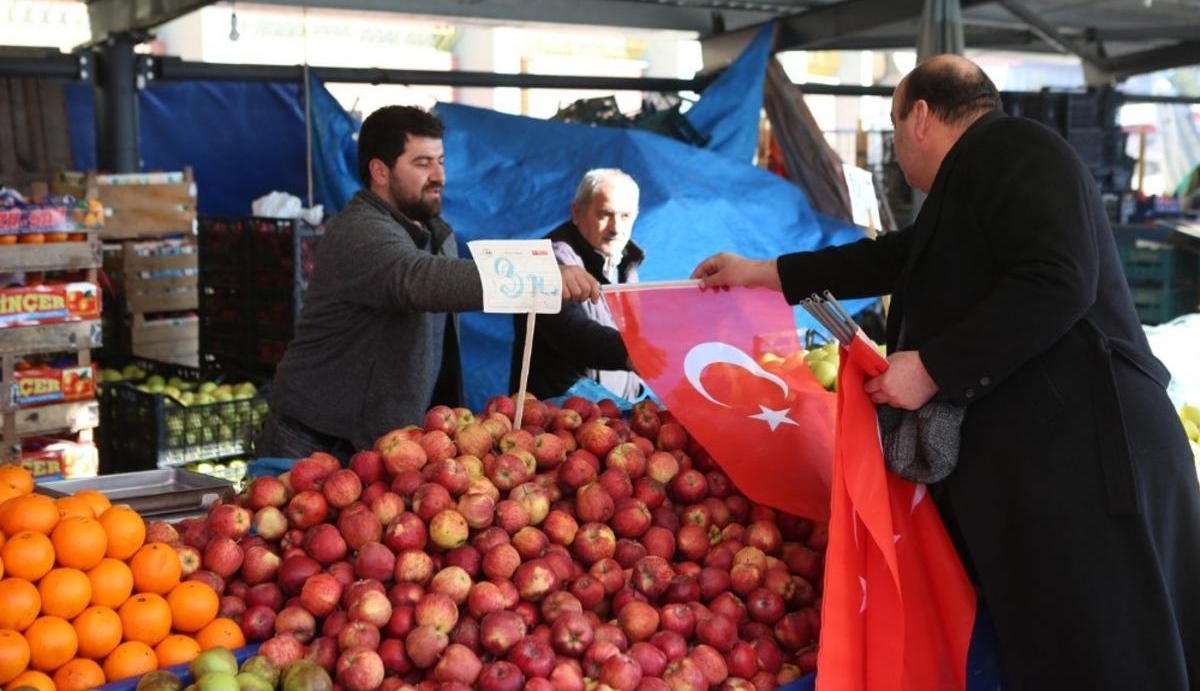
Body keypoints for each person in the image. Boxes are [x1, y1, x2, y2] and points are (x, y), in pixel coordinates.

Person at [692, 55, 1200, 690]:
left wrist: (932, 368)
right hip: (1051, 466)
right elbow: (894, 258)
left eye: (895, 123)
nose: (899, 146)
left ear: (922, 118)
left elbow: (1059, 280)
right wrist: (765, 273)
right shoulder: (971, 182)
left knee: (1109, 651)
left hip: (1092, 461)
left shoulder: (1017, 148)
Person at [258, 105, 599, 462]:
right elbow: (418, 279)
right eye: (422, 163)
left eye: (441, 161)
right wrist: (539, 277)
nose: (438, 175)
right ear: (380, 171)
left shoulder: (437, 235)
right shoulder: (359, 231)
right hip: (313, 441)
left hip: (383, 444)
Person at [510, 168, 648, 401]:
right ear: (576, 212)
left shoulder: (625, 262)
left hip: (619, 416)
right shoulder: (549, 261)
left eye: (626, 216)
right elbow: (571, 331)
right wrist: (630, 352)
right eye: (605, 214)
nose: (616, 228)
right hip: (556, 421)